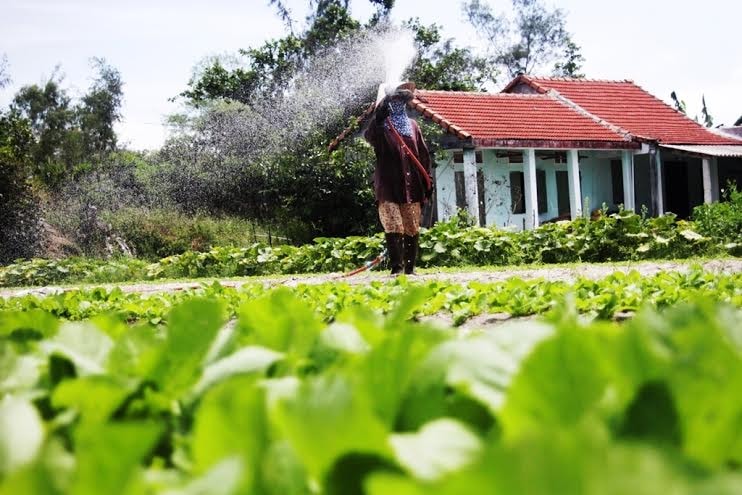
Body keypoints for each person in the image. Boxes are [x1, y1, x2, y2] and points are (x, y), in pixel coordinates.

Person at [364, 83, 433, 275]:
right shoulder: (380, 127)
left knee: (411, 226)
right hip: (388, 186)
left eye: (400, 100)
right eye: (393, 100)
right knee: (393, 224)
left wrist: (428, 181)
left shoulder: (413, 126)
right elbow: (370, 136)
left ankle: (410, 270)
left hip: (412, 187)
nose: (397, 104)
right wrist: (378, 118)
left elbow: (423, 156)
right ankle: (397, 269)